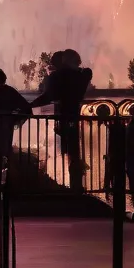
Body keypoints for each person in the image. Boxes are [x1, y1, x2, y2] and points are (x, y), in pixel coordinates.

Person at [30, 50, 93, 190]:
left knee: (68, 150)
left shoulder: (57, 76)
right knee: (74, 151)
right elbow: (84, 79)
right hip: (75, 116)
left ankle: (70, 185)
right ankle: (77, 185)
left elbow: (47, 96)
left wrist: (29, 107)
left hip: (63, 116)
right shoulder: (82, 75)